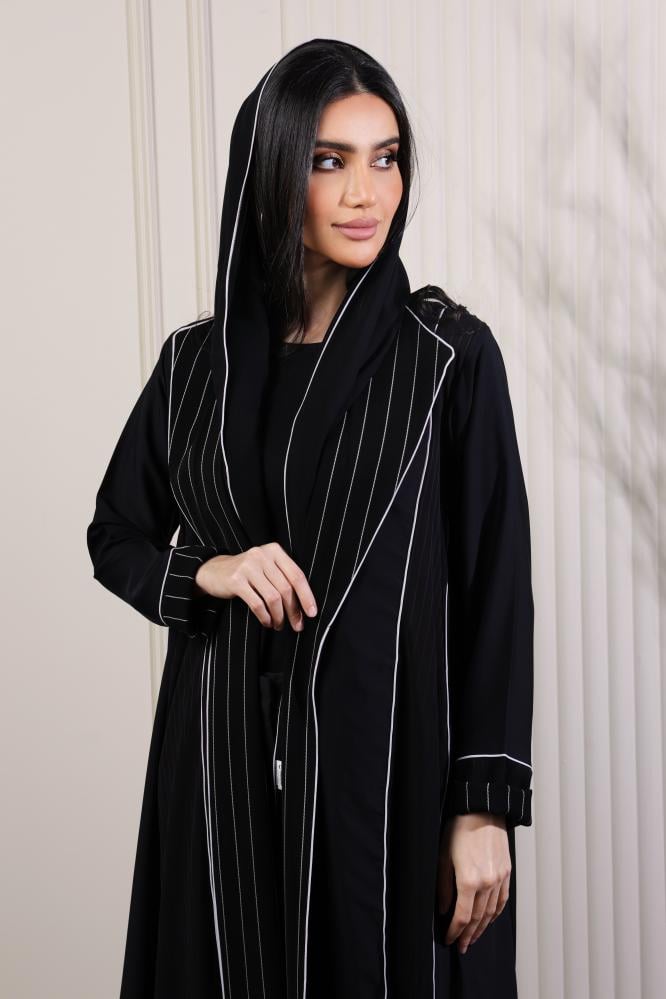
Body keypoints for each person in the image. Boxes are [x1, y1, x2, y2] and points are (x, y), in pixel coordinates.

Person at [87, 37, 534, 999]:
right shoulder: (194, 368)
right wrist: (208, 570)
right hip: (220, 772)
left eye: (386, 158)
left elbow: (495, 589)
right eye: (330, 161)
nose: (367, 192)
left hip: (389, 776)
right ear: (274, 171)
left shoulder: (446, 359)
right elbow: (114, 533)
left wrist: (484, 807)